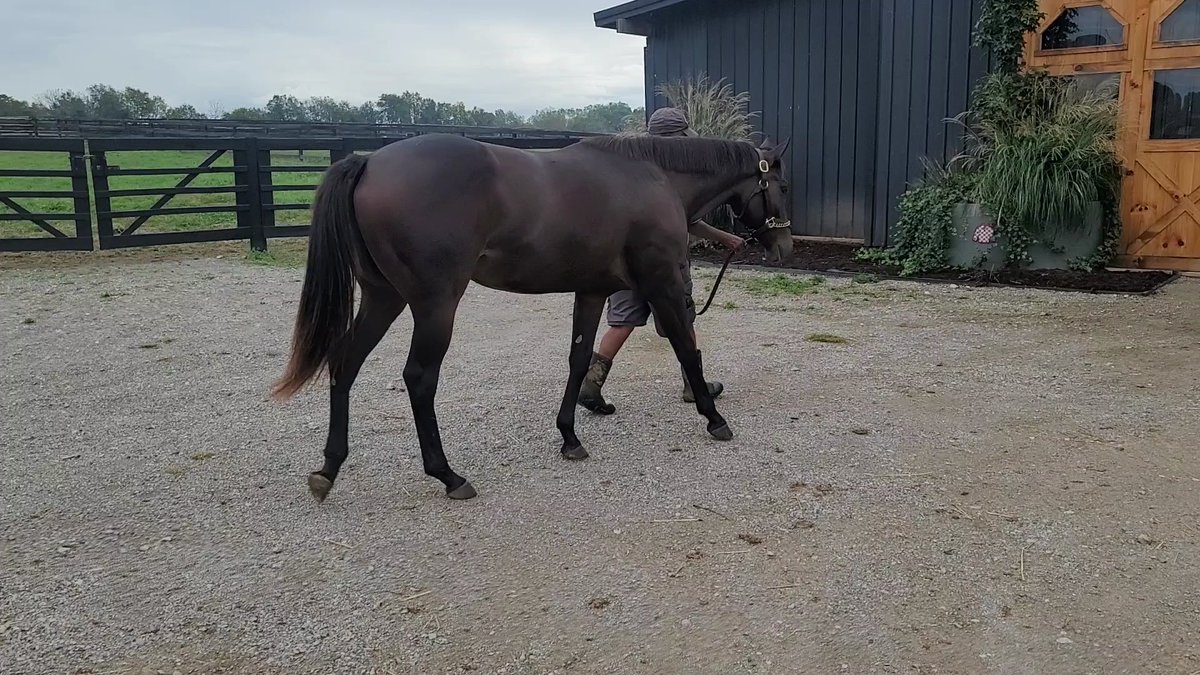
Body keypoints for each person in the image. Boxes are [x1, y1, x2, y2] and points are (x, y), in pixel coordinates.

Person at [578, 107, 746, 415]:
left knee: (622, 321)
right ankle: (693, 386)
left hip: (624, 261)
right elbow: (688, 218)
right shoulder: (675, 174)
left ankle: (592, 382)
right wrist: (726, 238)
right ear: (682, 140)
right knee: (682, 321)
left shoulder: (630, 167)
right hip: (664, 261)